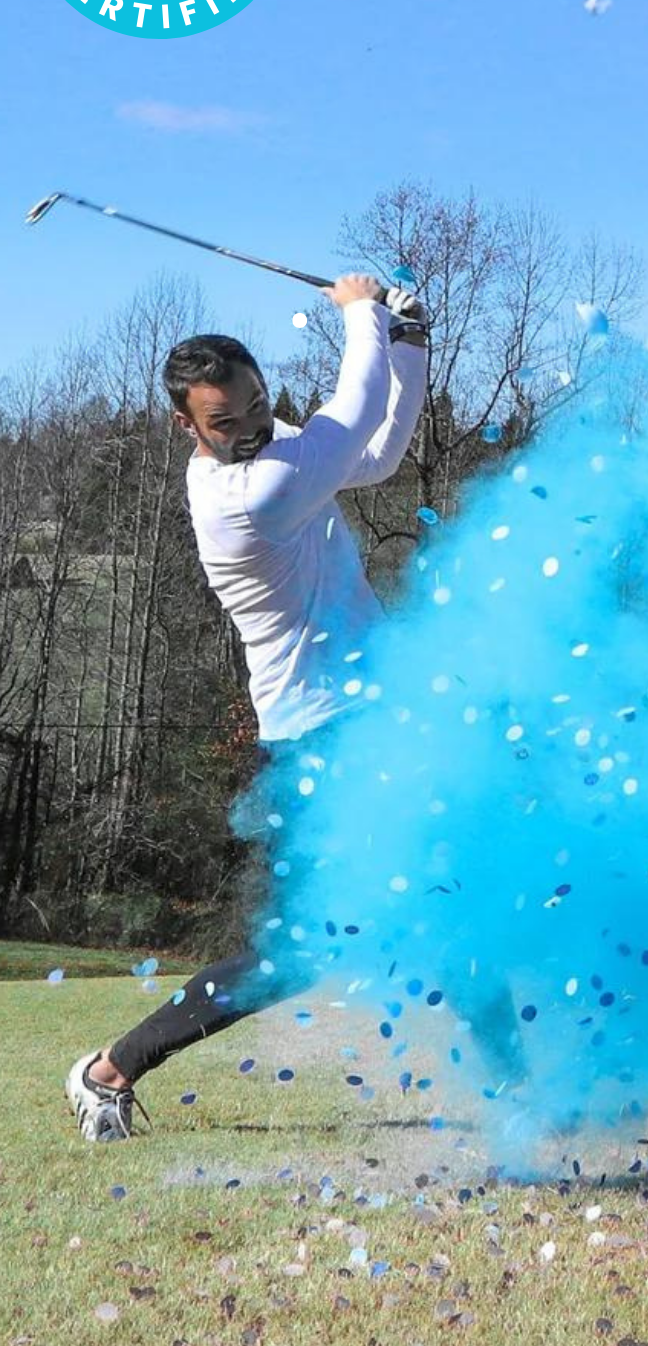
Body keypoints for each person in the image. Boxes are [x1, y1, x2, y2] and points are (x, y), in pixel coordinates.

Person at [65, 274, 432, 1142]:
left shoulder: (278, 456)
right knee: (298, 953)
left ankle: (524, 1093)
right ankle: (108, 1071)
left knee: (465, 881)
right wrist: (362, 315)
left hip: (377, 720)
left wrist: (406, 341)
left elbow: (371, 456)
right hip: (318, 739)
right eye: (223, 421)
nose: (249, 427)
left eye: (257, 406)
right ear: (185, 428)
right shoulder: (247, 495)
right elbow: (351, 418)